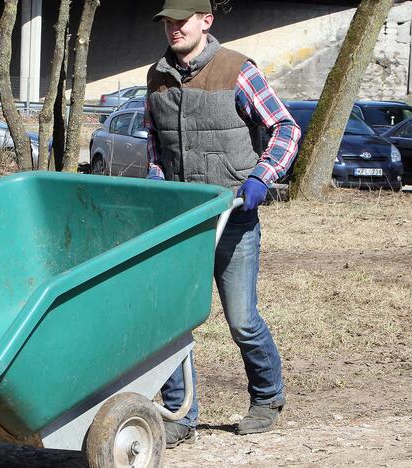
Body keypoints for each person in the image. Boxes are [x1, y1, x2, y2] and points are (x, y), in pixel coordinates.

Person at [145, 0, 301, 448]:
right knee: (171, 323)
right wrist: (156, 180)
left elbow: (285, 130)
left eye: (182, 20)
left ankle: (268, 397)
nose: (174, 28)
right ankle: (179, 414)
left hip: (233, 217)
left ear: (205, 21)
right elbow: (155, 141)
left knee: (242, 320)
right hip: (181, 221)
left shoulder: (239, 70)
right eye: (168, 22)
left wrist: (260, 177)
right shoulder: (156, 77)